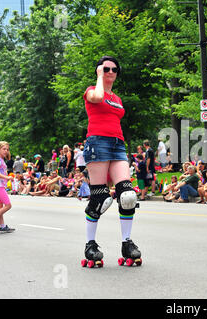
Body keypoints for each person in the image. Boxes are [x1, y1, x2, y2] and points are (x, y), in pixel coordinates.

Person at [81, 55, 141, 267]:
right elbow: (97, 97)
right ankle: (90, 244)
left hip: (118, 145)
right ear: (99, 70)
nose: (111, 72)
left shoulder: (117, 99)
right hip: (97, 144)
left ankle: (126, 243)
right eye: (106, 68)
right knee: (101, 199)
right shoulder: (91, 91)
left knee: (127, 195)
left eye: (114, 69)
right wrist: (99, 76)